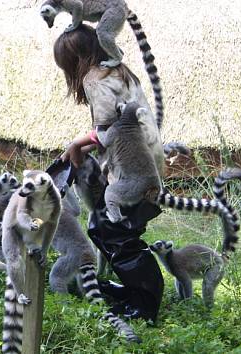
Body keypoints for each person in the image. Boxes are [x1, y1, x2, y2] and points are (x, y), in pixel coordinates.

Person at [53, 24, 165, 323]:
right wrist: (79, 149)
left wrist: (78, 144)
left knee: (116, 232)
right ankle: (137, 293)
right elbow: (120, 127)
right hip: (144, 161)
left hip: (133, 170)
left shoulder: (96, 79)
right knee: (111, 228)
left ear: (75, 60)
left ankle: (146, 304)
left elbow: (106, 130)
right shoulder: (120, 72)